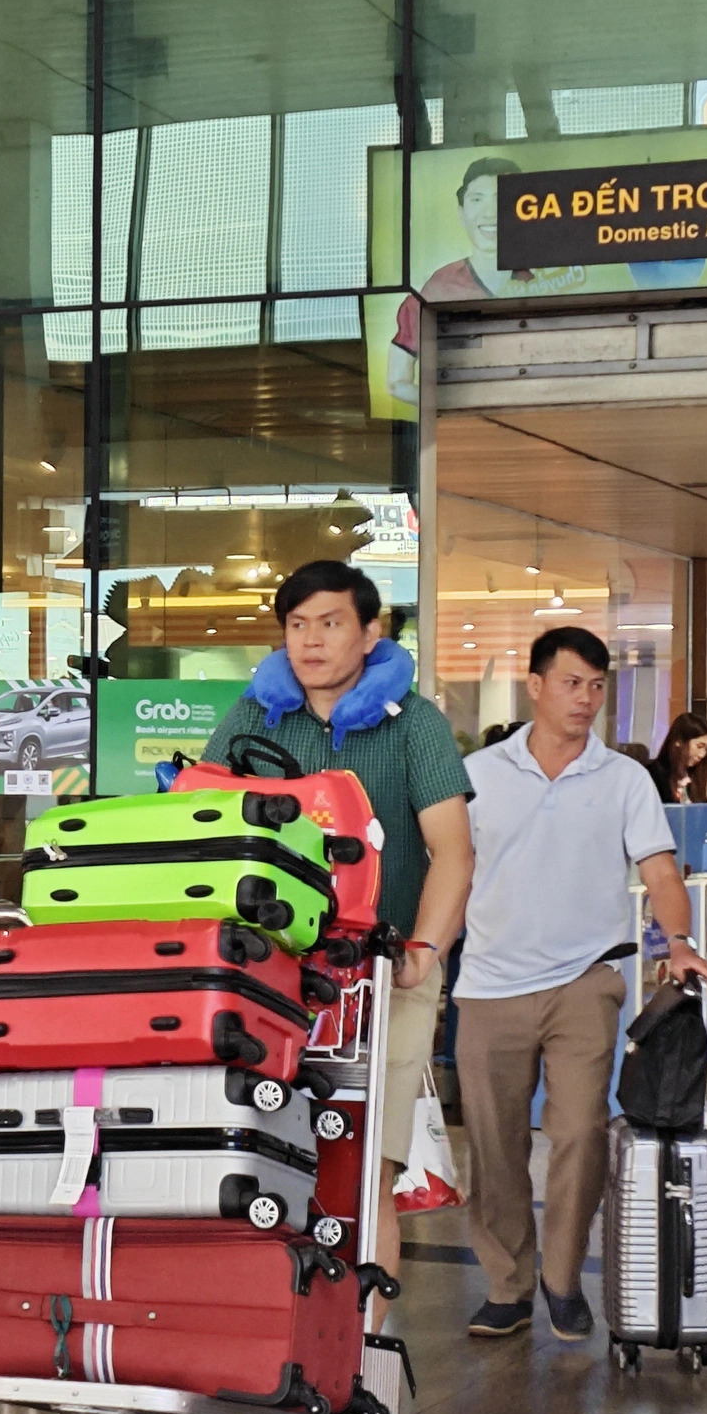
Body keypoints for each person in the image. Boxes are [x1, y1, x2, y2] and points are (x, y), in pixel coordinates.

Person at [201, 560, 474, 1322]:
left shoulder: (413, 723)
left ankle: (356, 1348)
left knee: (363, 1168)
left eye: (330, 623)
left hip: (385, 976)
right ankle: (271, 1330)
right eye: (297, 625)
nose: (312, 641)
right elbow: (200, 818)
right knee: (258, 1151)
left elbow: (452, 849)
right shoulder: (255, 716)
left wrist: (425, 950)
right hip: (268, 974)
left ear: (369, 633)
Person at [452, 626, 707, 1343]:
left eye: (597, 687)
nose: (586, 699)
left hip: (584, 981)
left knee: (580, 1133)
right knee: (496, 1144)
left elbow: (660, 869)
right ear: (535, 685)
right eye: (572, 683)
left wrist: (679, 942)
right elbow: (454, 871)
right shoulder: (479, 774)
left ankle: (563, 1280)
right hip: (490, 983)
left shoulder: (625, 778)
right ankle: (507, 1285)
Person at [387, 158, 532, 401]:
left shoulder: (548, 278)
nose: (490, 212)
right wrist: (459, 403)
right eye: (477, 199)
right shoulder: (435, 290)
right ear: (461, 213)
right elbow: (396, 383)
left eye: (502, 198)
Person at [647, 712, 707, 803]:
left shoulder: (694, 777)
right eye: (699, 746)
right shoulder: (654, 775)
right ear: (678, 741)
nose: (702, 754)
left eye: (706, 749)